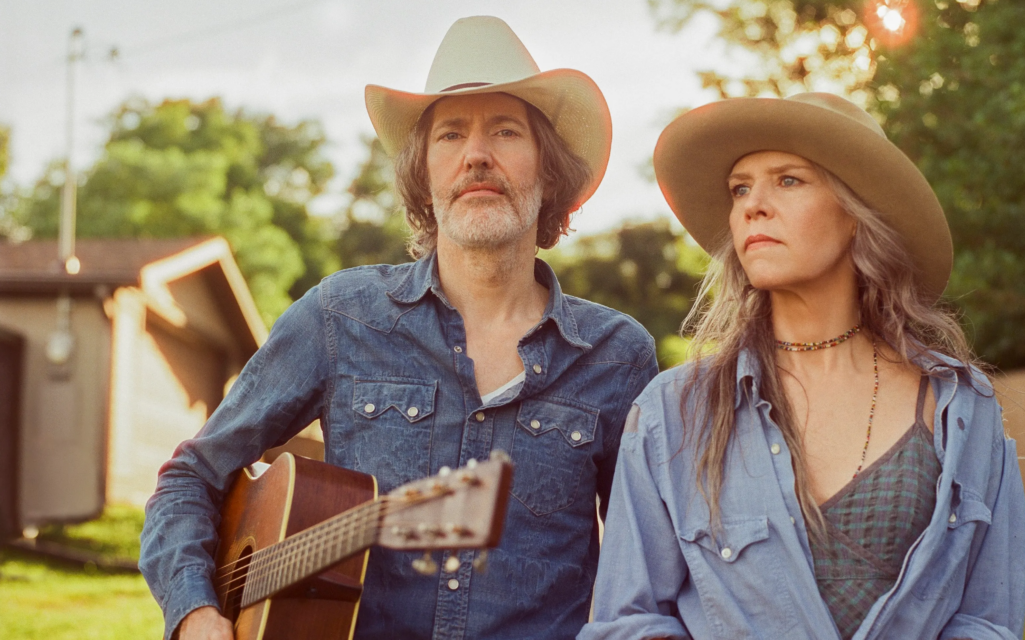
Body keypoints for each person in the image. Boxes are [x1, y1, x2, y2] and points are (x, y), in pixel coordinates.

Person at [140, 16, 658, 640]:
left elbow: (645, 575)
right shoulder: (342, 315)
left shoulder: (617, 356)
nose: (477, 155)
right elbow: (190, 478)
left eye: (505, 130)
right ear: (423, 175)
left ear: (548, 172)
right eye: (450, 135)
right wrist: (196, 614)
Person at [579, 93, 1025, 640]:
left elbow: (987, 620)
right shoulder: (672, 414)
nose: (753, 205)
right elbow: (625, 621)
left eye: (788, 180)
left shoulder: (961, 407)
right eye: (740, 187)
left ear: (857, 215)